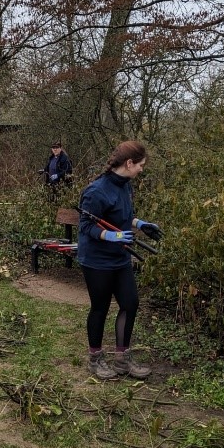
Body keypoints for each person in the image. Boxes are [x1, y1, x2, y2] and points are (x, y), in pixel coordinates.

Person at [77, 140, 162, 380]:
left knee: (130, 303)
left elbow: (123, 214)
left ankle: (122, 359)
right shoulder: (96, 191)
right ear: (129, 163)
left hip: (119, 257)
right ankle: (95, 358)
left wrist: (140, 224)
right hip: (96, 260)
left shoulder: (125, 185)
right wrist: (110, 235)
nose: (142, 170)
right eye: (141, 165)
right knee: (100, 308)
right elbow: (86, 226)